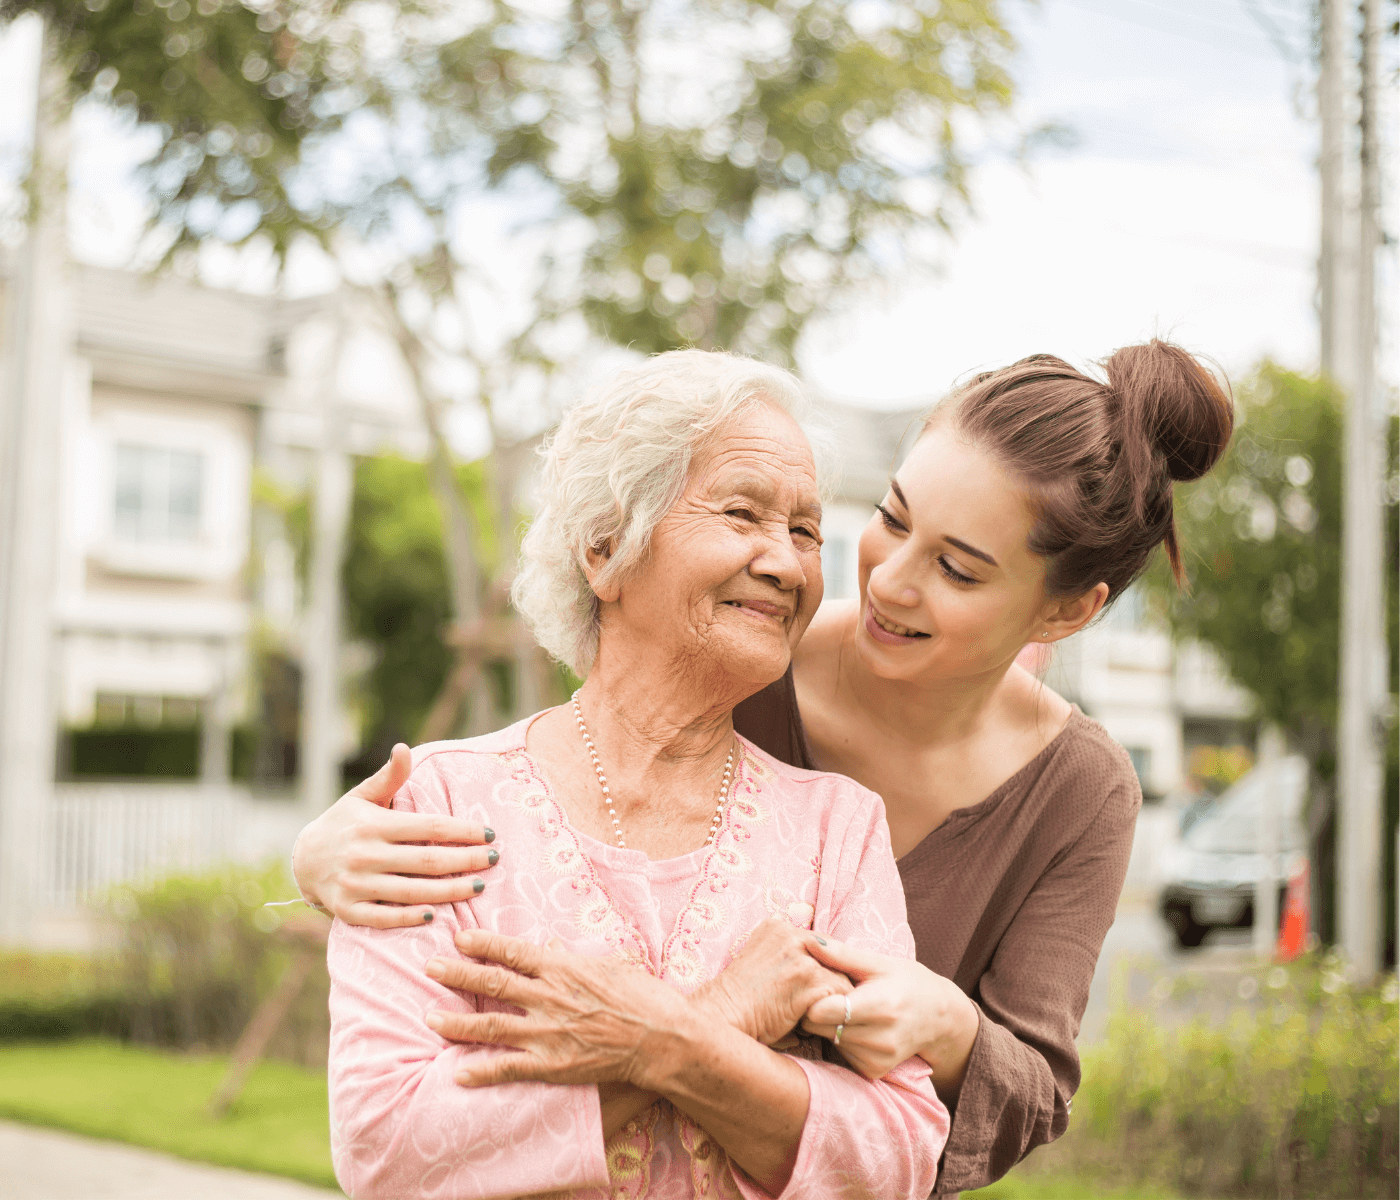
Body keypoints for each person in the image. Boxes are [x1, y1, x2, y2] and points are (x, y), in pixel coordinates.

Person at [303, 340, 1233, 1196]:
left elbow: (925, 1134)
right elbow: (389, 1145)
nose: (881, 579)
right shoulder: (469, 793)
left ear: (1064, 614)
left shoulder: (867, 817)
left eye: (957, 568)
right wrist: (317, 856)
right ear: (604, 547)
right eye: (888, 519)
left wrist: (936, 1028)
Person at [325, 351, 949, 1199]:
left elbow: (900, 1154)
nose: (788, 562)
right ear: (606, 547)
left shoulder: (837, 830)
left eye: (805, 530)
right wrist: (712, 1025)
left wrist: (657, 1046)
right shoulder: (439, 805)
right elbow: (388, 1151)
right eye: (742, 513)